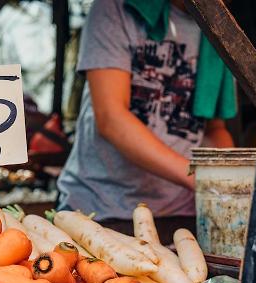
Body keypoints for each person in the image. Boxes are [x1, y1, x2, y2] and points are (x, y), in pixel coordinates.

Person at [57, 0, 236, 244]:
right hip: (100, 211)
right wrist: (197, 176)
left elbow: (214, 130)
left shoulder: (219, 28)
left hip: (182, 217)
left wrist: (234, 184)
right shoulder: (115, 8)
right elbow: (111, 117)